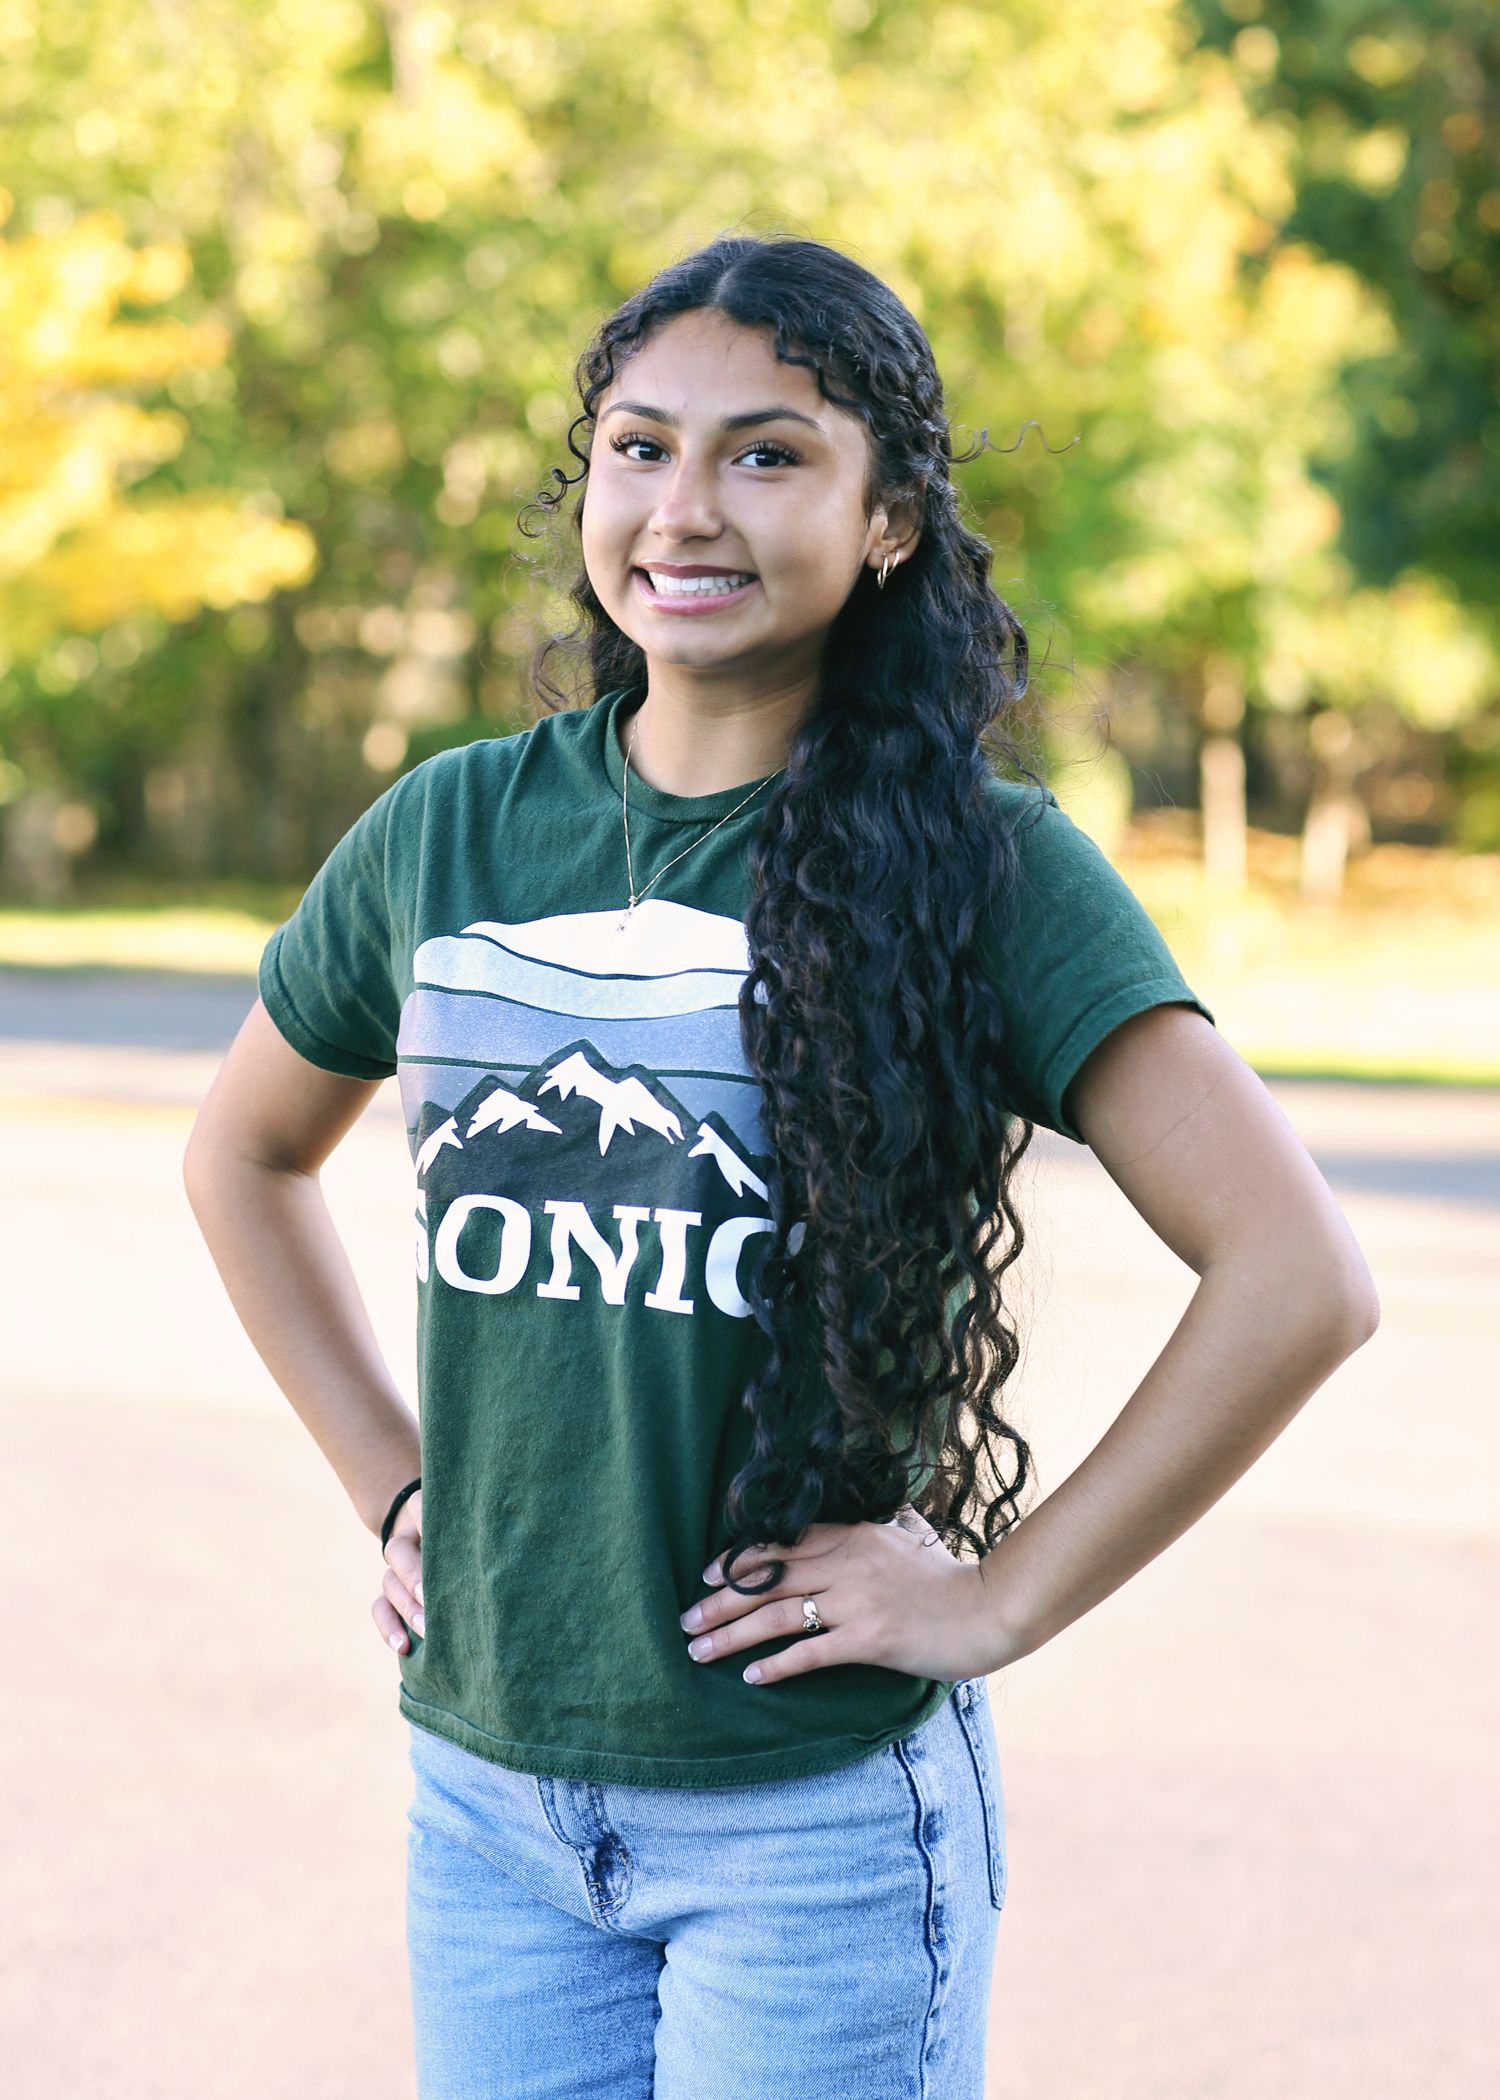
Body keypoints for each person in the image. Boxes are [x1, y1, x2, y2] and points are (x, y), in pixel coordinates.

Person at [182, 232, 1380, 2100]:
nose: (686, 506)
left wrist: (998, 1599)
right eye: (641, 448)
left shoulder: (988, 864)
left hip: (806, 1825)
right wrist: (391, 1483)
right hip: (487, 1797)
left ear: (888, 518)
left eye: (767, 452)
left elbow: (1299, 1277)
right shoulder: (451, 830)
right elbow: (244, 1154)